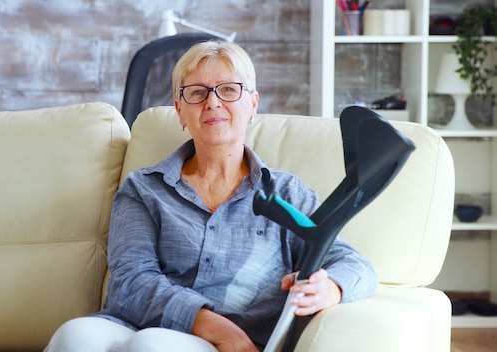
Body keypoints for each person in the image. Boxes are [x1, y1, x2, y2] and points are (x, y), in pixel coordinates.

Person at [45, 40, 378, 352]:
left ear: (252, 104)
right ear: (179, 110)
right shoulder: (144, 189)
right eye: (197, 92)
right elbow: (131, 283)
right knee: (75, 335)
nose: (213, 102)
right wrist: (212, 325)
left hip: (219, 346)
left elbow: (354, 264)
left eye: (229, 89)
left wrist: (330, 287)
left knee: (152, 346)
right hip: (139, 326)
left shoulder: (287, 195)